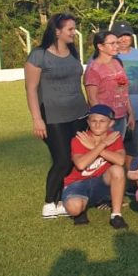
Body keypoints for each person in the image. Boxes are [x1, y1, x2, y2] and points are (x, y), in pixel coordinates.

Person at [26, 13, 89, 220]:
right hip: (53, 116)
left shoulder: (73, 51)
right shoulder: (39, 55)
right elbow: (31, 89)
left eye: (74, 28)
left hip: (79, 114)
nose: (74, 32)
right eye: (70, 29)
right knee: (62, 159)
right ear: (57, 31)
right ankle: (49, 203)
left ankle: (64, 199)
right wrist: (37, 119)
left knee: (74, 158)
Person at [60, 105, 129, 229]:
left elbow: (120, 160)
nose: (97, 125)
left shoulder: (113, 137)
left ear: (111, 123)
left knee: (117, 170)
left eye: (102, 121)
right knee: (74, 209)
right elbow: (81, 164)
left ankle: (116, 215)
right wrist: (102, 144)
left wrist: (94, 147)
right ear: (88, 122)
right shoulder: (80, 138)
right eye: (93, 121)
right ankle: (83, 208)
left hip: (100, 182)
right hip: (78, 183)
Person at [84, 30, 133, 138]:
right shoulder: (93, 69)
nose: (116, 46)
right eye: (112, 43)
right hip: (106, 120)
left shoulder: (117, 63)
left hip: (121, 117)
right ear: (100, 46)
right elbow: (92, 99)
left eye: (117, 43)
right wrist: (103, 122)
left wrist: (130, 113)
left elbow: (123, 90)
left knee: (119, 147)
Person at [112, 22, 138, 153]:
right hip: (114, 115)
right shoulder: (109, 55)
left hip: (137, 111)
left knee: (136, 151)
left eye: (127, 35)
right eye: (119, 36)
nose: (123, 39)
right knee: (115, 152)